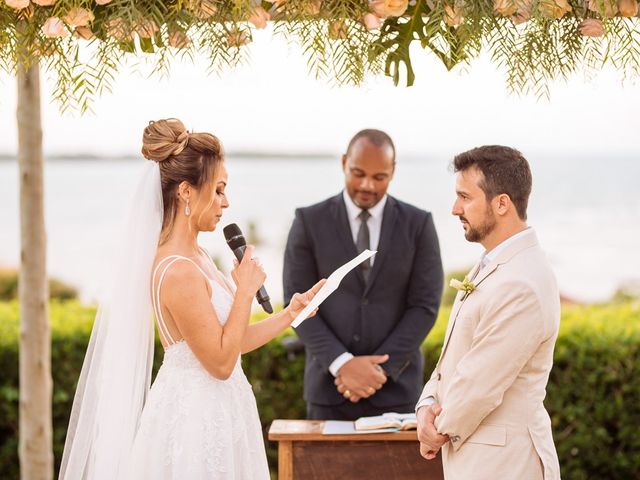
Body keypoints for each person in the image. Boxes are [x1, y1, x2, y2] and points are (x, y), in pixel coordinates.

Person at [60, 118, 323, 479]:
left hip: (223, 412)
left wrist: (291, 313)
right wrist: (245, 291)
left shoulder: (198, 257)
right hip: (196, 421)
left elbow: (234, 340)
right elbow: (219, 363)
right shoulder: (177, 270)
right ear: (185, 191)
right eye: (218, 190)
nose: (225, 202)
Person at [416, 145, 561, 480]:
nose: (455, 209)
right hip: (477, 461)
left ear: (501, 203)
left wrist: (436, 427)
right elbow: (453, 359)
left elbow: (479, 381)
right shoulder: (491, 265)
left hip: (508, 464)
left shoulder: (523, 281)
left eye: (465, 197)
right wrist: (426, 406)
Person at [283, 129, 444, 420]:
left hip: (398, 391)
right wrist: (342, 364)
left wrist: (379, 370)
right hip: (328, 391)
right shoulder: (308, 221)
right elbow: (296, 303)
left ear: (393, 171)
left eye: (379, 177)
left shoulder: (419, 224)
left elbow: (425, 305)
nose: (367, 185)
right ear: (344, 162)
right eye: (358, 173)